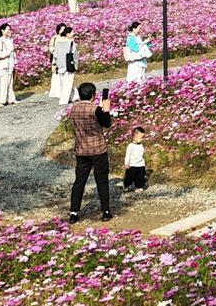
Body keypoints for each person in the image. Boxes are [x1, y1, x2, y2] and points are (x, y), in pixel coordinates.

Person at [66, 82, 113, 223]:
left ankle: (74, 212)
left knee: (79, 181)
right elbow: (107, 123)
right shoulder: (95, 109)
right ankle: (105, 211)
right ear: (93, 95)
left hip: (81, 150)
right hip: (98, 150)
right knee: (101, 180)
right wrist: (106, 110)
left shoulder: (73, 108)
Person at [51, 24, 77, 104]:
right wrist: (76, 66)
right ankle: (63, 101)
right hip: (69, 66)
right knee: (68, 84)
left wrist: (54, 64)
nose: (73, 34)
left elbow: (55, 55)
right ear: (68, 34)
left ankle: (74, 97)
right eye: (72, 32)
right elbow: (75, 56)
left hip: (60, 65)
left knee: (63, 83)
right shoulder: (72, 43)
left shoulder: (58, 43)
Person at [0, 24, 17, 105]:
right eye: (8, 29)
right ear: (2, 30)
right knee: (1, 84)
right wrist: (7, 53)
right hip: (2, 66)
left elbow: (13, 53)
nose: (10, 31)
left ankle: (10, 99)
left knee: (9, 83)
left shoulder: (10, 40)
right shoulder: (0, 41)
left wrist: (14, 62)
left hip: (9, 65)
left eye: (10, 29)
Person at [123, 125, 148, 192]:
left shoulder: (141, 145)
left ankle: (138, 186)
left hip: (140, 164)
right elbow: (127, 155)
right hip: (132, 165)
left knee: (140, 177)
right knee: (129, 177)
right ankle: (126, 185)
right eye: (141, 138)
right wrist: (126, 163)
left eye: (143, 137)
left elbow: (141, 154)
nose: (142, 139)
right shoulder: (130, 146)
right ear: (134, 137)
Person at [47, 23, 67, 98]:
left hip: (64, 58)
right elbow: (51, 46)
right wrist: (54, 51)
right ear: (58, 29)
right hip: (56, 58)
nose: (62, 30)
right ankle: (56, 92)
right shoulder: (55, 38)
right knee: (56, 74)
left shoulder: (66, 38)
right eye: (61, 29)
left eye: (64, 29)